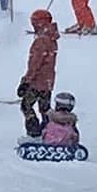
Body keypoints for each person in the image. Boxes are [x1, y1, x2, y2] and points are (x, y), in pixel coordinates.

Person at [18, 7, 60, 137]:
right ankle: (49, 131)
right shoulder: (51, 38)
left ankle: (34, 131)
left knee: (26, 105)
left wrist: (26, 80)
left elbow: (35, 63)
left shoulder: (41, 40)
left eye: (34, 22)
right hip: (48, 81)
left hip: (38, 81)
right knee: (44, 108)